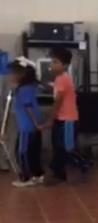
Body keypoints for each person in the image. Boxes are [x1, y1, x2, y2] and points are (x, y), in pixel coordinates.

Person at [43, 47, 90, 185]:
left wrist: (50, 120)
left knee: (67, 147)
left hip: (67, 119)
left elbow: (58, 102)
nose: (52, 65)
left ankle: (83, 163)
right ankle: (58, 173)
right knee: (58, 146)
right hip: (61, 118)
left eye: (55, 62)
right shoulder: (59, 79)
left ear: (65, 65)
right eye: (52, 62)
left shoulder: (63, 79)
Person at [7, 58, 44, 187]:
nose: (10, 75)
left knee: (22, 152)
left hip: (27, 127)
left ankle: (26, 177)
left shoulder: (23, 90)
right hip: (31, 127)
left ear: (22, 75)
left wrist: (36, 123)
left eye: (13, 73)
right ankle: (38, 175)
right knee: (33, 151)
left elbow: (28, 108)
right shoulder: (30, 87)